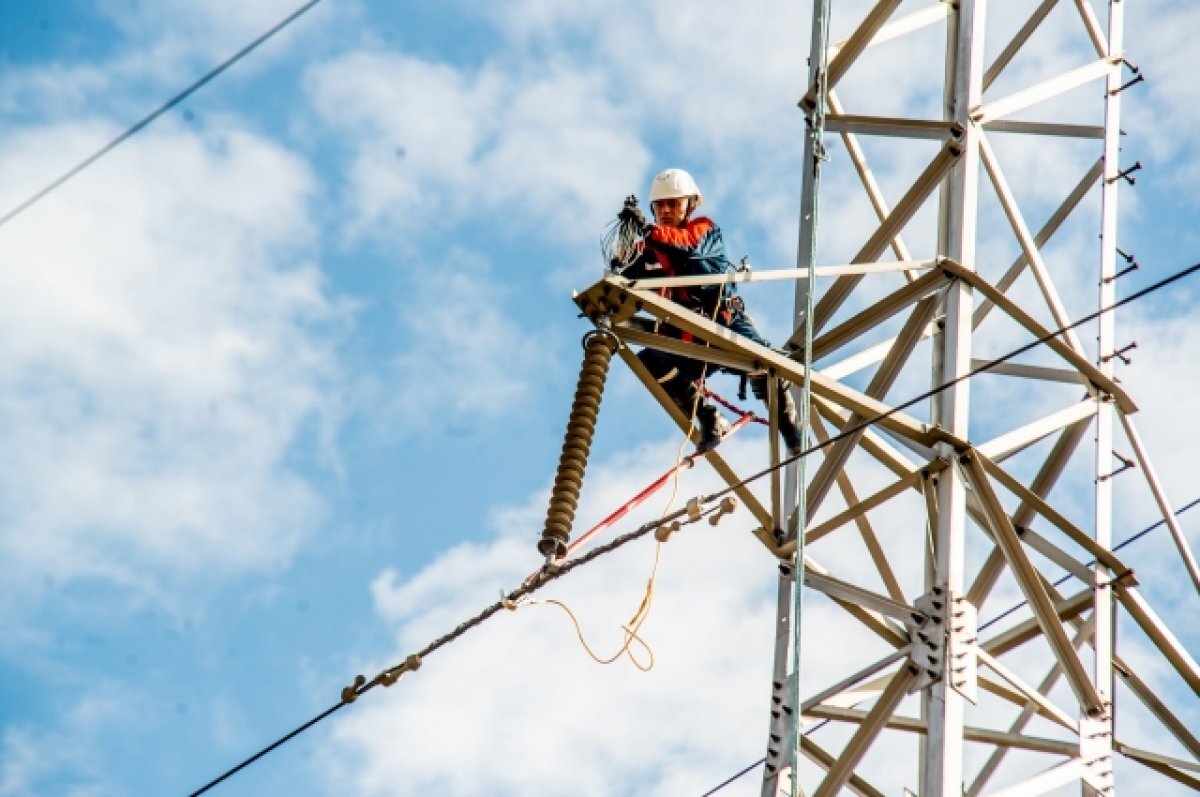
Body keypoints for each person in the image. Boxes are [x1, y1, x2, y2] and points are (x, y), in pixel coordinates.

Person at [615, 168, 804, 456]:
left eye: (673, 204)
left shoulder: (705, 231)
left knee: (765, 365)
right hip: (687, 335)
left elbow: (689, 251)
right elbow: (629, 279)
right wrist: (622, 260)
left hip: (724, 322)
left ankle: (789, 424)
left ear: (689, 206)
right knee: (650, 361)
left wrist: (648, 232)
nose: (665, 210)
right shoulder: (650, 248)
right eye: (659, 206)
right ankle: (708, 418)